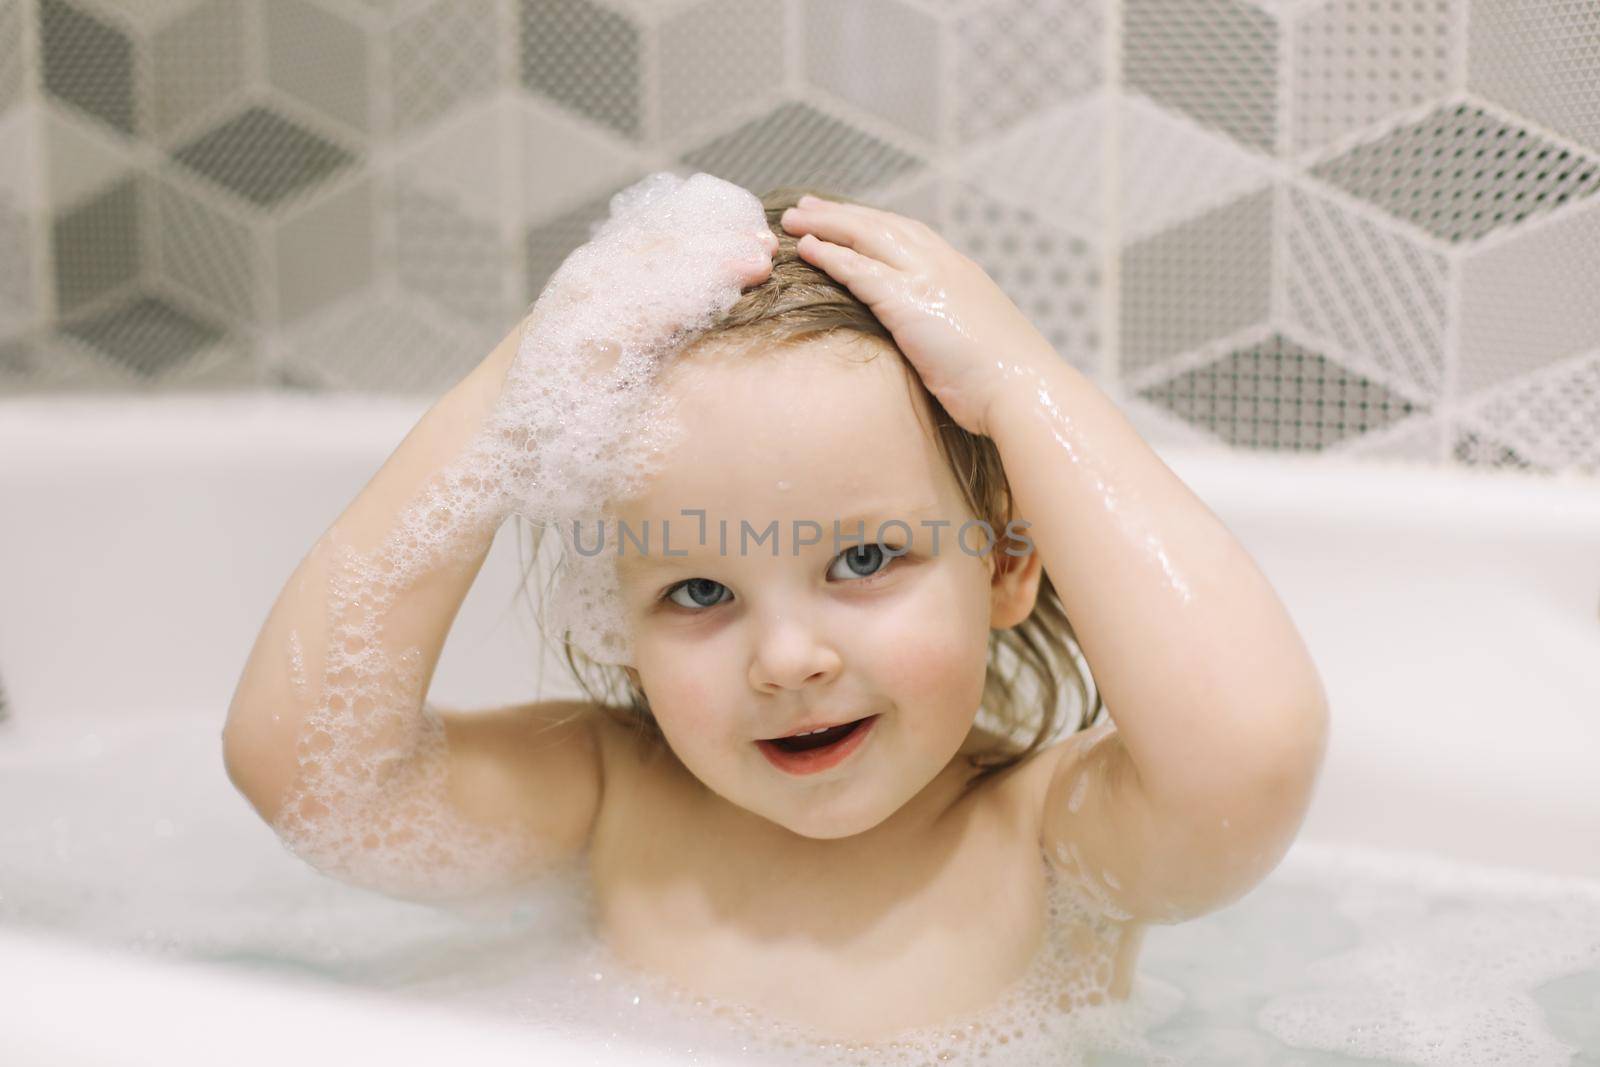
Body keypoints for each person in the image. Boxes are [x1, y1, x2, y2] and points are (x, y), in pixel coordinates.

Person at [221, 173, 1328, 1050]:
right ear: (619, 611)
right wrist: (521, 390)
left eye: (862, 557)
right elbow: (310, 774)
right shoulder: (614, 797)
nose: (788, 658)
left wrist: (1022, 386)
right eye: (698, 590)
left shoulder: (1041, 840)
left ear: (1004, 561)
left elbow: (1246, 760)